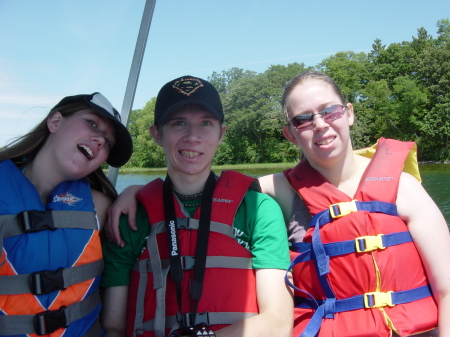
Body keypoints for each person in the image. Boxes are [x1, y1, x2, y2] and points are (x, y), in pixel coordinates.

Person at [106, 71, 450, 337]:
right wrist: (135, 191)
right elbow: (202, 187)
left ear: (348, 113)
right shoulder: (275, 190)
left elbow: (447, 289)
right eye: (302, 119)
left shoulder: (403, 187)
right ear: (290, 133)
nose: (319, 125)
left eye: (329, 111)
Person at [100, 76, 293, 337]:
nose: (193, 136)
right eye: (179, 123)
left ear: (221, 134)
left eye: (206, 123)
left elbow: (278, 323)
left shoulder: (259, 210)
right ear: (157, 134)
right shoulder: (130, 218)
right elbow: (114, 326)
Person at [0, 92, 133, 337]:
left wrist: (135, 191)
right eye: (92, 123)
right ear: (55, 122)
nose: (100, 140)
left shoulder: (102, 207)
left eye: (108, 142)